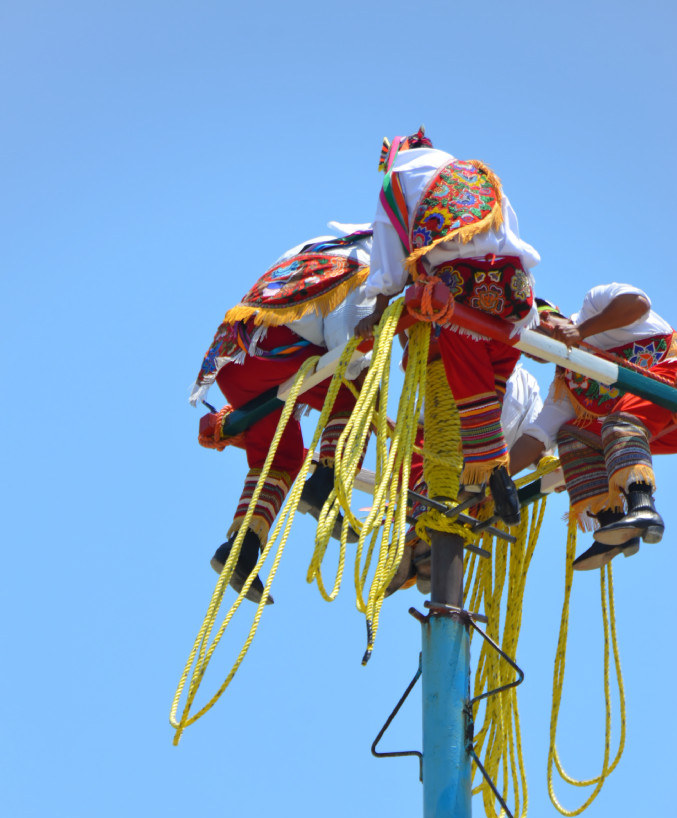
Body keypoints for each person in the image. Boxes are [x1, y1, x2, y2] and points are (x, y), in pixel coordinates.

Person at [355, 127, 541, 525]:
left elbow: (388, 246)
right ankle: (483, 469)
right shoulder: (476, 174)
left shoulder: (398, 179)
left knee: (460, 365)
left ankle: (490, 468)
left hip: (460, 291)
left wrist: (381, 306)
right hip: (514, 289)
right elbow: (512, 233)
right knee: (494, 373)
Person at [192, 227, 376, 601]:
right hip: (278, 353)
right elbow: (347, 343)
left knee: (281, 457)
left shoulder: (319, 247)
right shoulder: (365, 264)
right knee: (361, 384)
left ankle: (240, 551)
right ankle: (327, 485)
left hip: (234, 361)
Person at [509, 286, 676, 569]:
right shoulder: (567, 383)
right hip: (657, 427)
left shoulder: (593, 305)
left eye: (535, 329)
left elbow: (638, 303)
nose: (535, 343)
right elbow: (536, 437)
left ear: (553, 319)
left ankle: (643, 506)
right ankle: (614, 527)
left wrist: (581, 331)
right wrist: (491, 480)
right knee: (572, 434)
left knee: (617, 420)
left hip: (670, 384)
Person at [388, 362, 548, 595]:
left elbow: (538, 440)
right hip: (429, 445)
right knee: (440, 487)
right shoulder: (462, 350)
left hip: (484, 469)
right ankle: (420, 546)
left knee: (473, 500)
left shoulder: (528, 385)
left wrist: (551, 465)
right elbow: (416, 349)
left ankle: (423, 551)